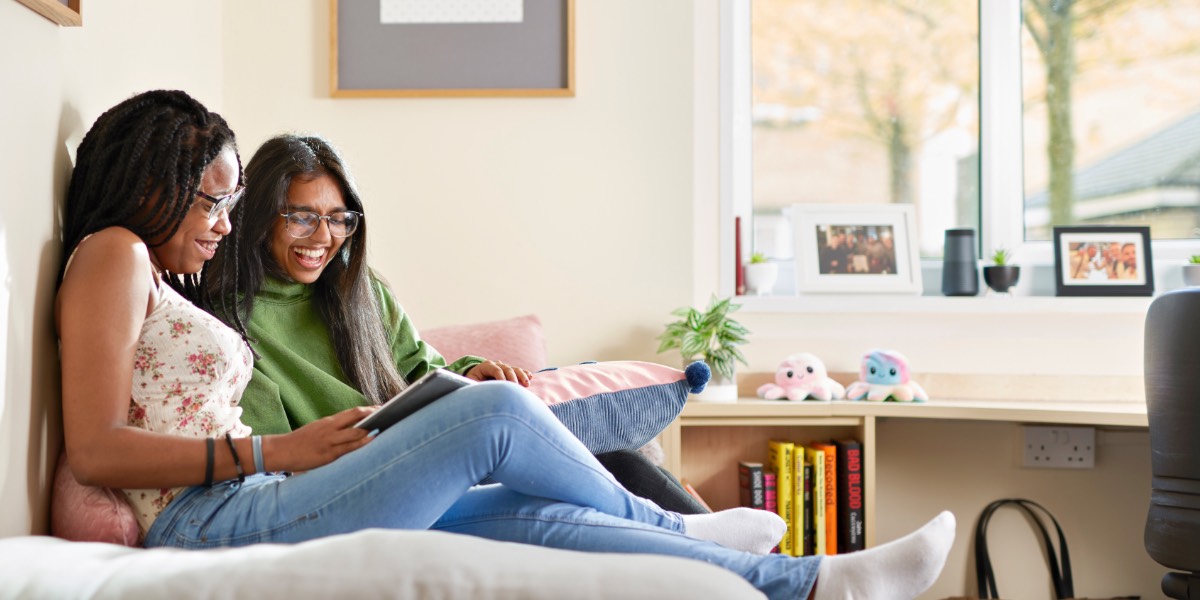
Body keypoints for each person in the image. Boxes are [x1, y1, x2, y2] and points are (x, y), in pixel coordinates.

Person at [57, 90, 954, 600]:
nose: (222, 222)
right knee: (493, 411)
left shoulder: (159, 271)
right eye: (215, 201)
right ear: (155, 183)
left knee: (543, 519)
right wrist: (277, 449)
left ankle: (810, 582)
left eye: (228, 204)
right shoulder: (115, 252)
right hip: (215, 520)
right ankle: (676, 525)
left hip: (256, 493)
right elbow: (95, 446)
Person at [200, 133, 706, 515]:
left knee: (623, 460)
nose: (324, 236)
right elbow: (275, 458)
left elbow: (422, 371)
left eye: (339, 218)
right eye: (302, 216)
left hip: (433, 452)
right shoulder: (228, 323)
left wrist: (473, 373)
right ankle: (709, 544)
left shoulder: (360, 289)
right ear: (261, 215)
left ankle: (725, 551)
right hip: (364, 485)